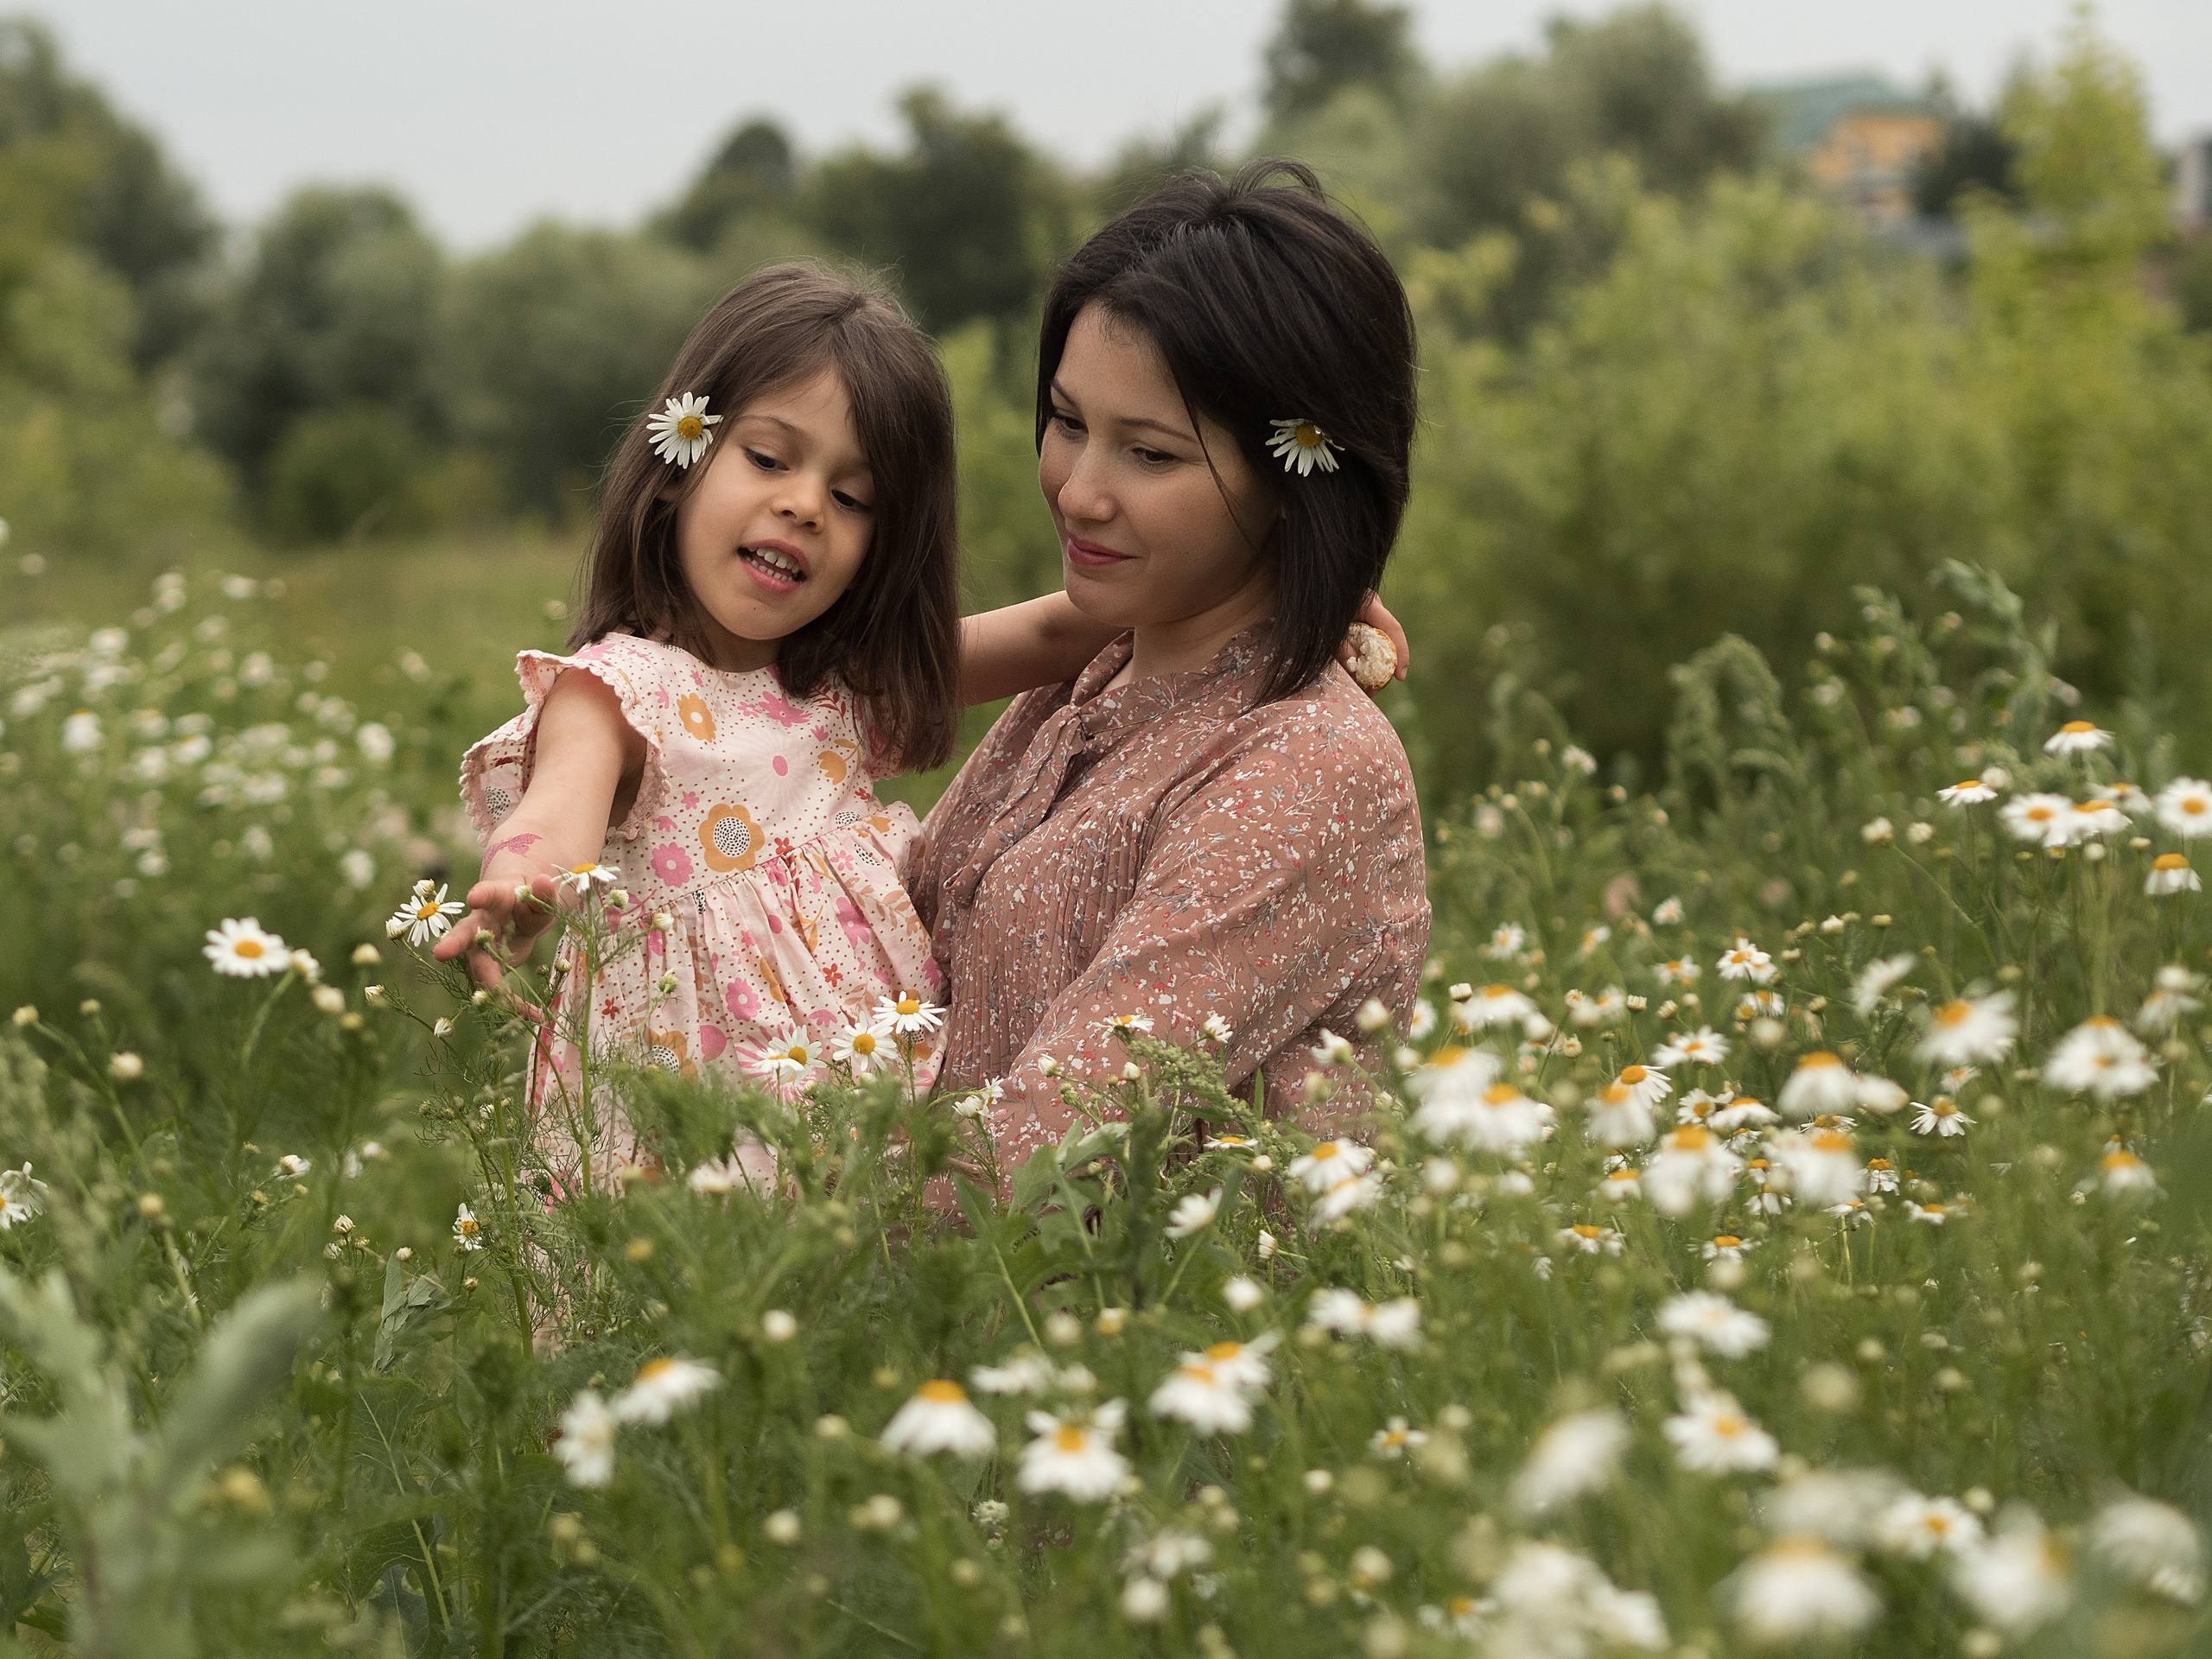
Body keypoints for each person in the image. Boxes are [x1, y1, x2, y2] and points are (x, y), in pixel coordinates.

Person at [908, 161, 1432, 1169]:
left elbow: (1055, 1138)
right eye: (1067, 424)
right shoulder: (1092, 668)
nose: (1077, 492)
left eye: (1148, 454)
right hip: (965, 1305)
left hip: (1157, 1317)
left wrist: (793, 1245)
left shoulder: (1302, 767)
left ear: (1294, 480)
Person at [440, 264, 990, 1191]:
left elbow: (1058, 630)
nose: (805, 504)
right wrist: (519, 882)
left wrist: (1263, 595)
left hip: (867, 1123)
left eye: (853, 499)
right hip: (684, 1143)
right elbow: (557, 808)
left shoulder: (839, 691)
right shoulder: (617, 691)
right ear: (678, 464)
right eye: (770, 459)